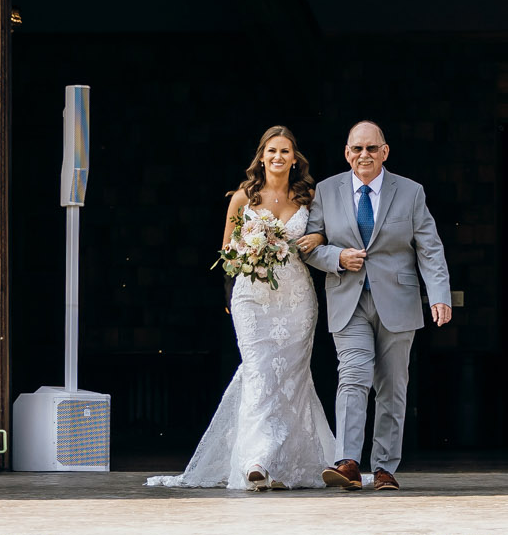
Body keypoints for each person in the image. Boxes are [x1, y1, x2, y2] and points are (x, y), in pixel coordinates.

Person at [152, 125, 335, 491]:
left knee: (291, 378)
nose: (278, 158)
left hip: (296, 300)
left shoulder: (310, 199)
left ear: (295, 159)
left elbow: (330, 235)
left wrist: (319, 236)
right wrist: (250, 251)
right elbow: (227, 255)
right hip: (251, 299)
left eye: (285, 152)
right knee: (258, 372)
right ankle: (255, 459)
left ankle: (281, 461)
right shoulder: (242, 199)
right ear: (262, 157)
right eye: (271, 151)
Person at [297, 120, 451, 492]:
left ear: (384, 152)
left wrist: (440, 294)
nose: (363, 155)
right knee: (352, 376)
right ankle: (347, 461)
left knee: (393, 387)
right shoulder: (326, 191)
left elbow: (429, 247)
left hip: (398, 301)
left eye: (370, 149)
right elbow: (310, 245)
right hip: (348, 299)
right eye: (356, 149)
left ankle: (383, 467)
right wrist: (337, 257)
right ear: (346, 153)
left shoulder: (411, 192)